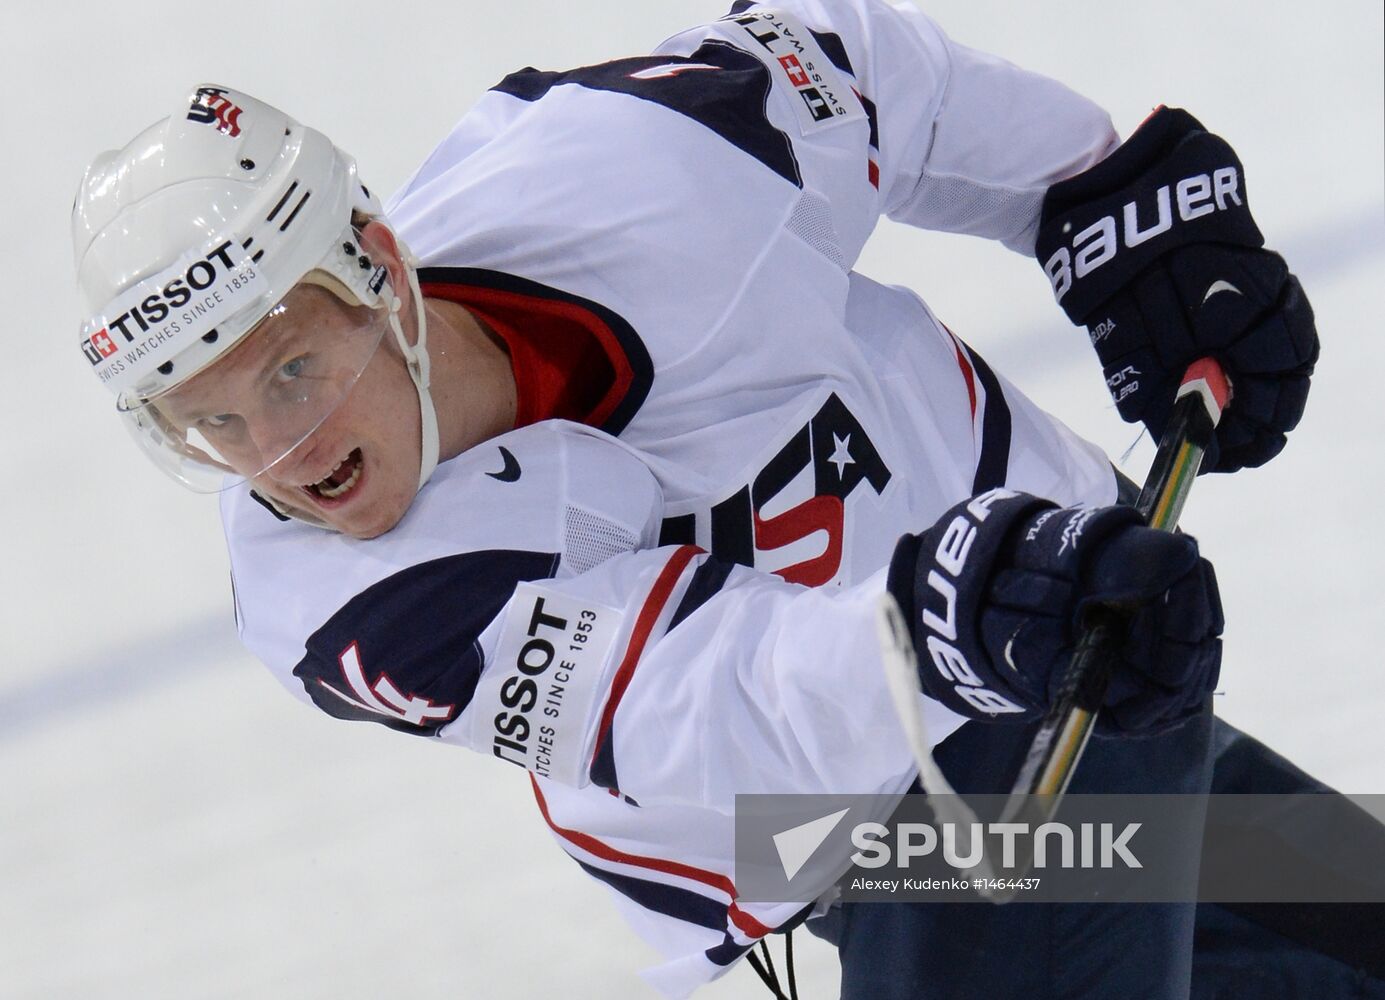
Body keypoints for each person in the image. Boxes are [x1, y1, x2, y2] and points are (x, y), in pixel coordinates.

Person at [71, 2, 1334, 997]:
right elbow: (702, 696)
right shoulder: (336, 600)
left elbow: (869, 70)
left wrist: (1100, 198)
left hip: (1079, 605)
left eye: (297, 368)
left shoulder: (626, 166)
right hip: (846, 820)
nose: (284, 452)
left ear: (381, 267)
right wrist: (942, 621)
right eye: (212, 420)